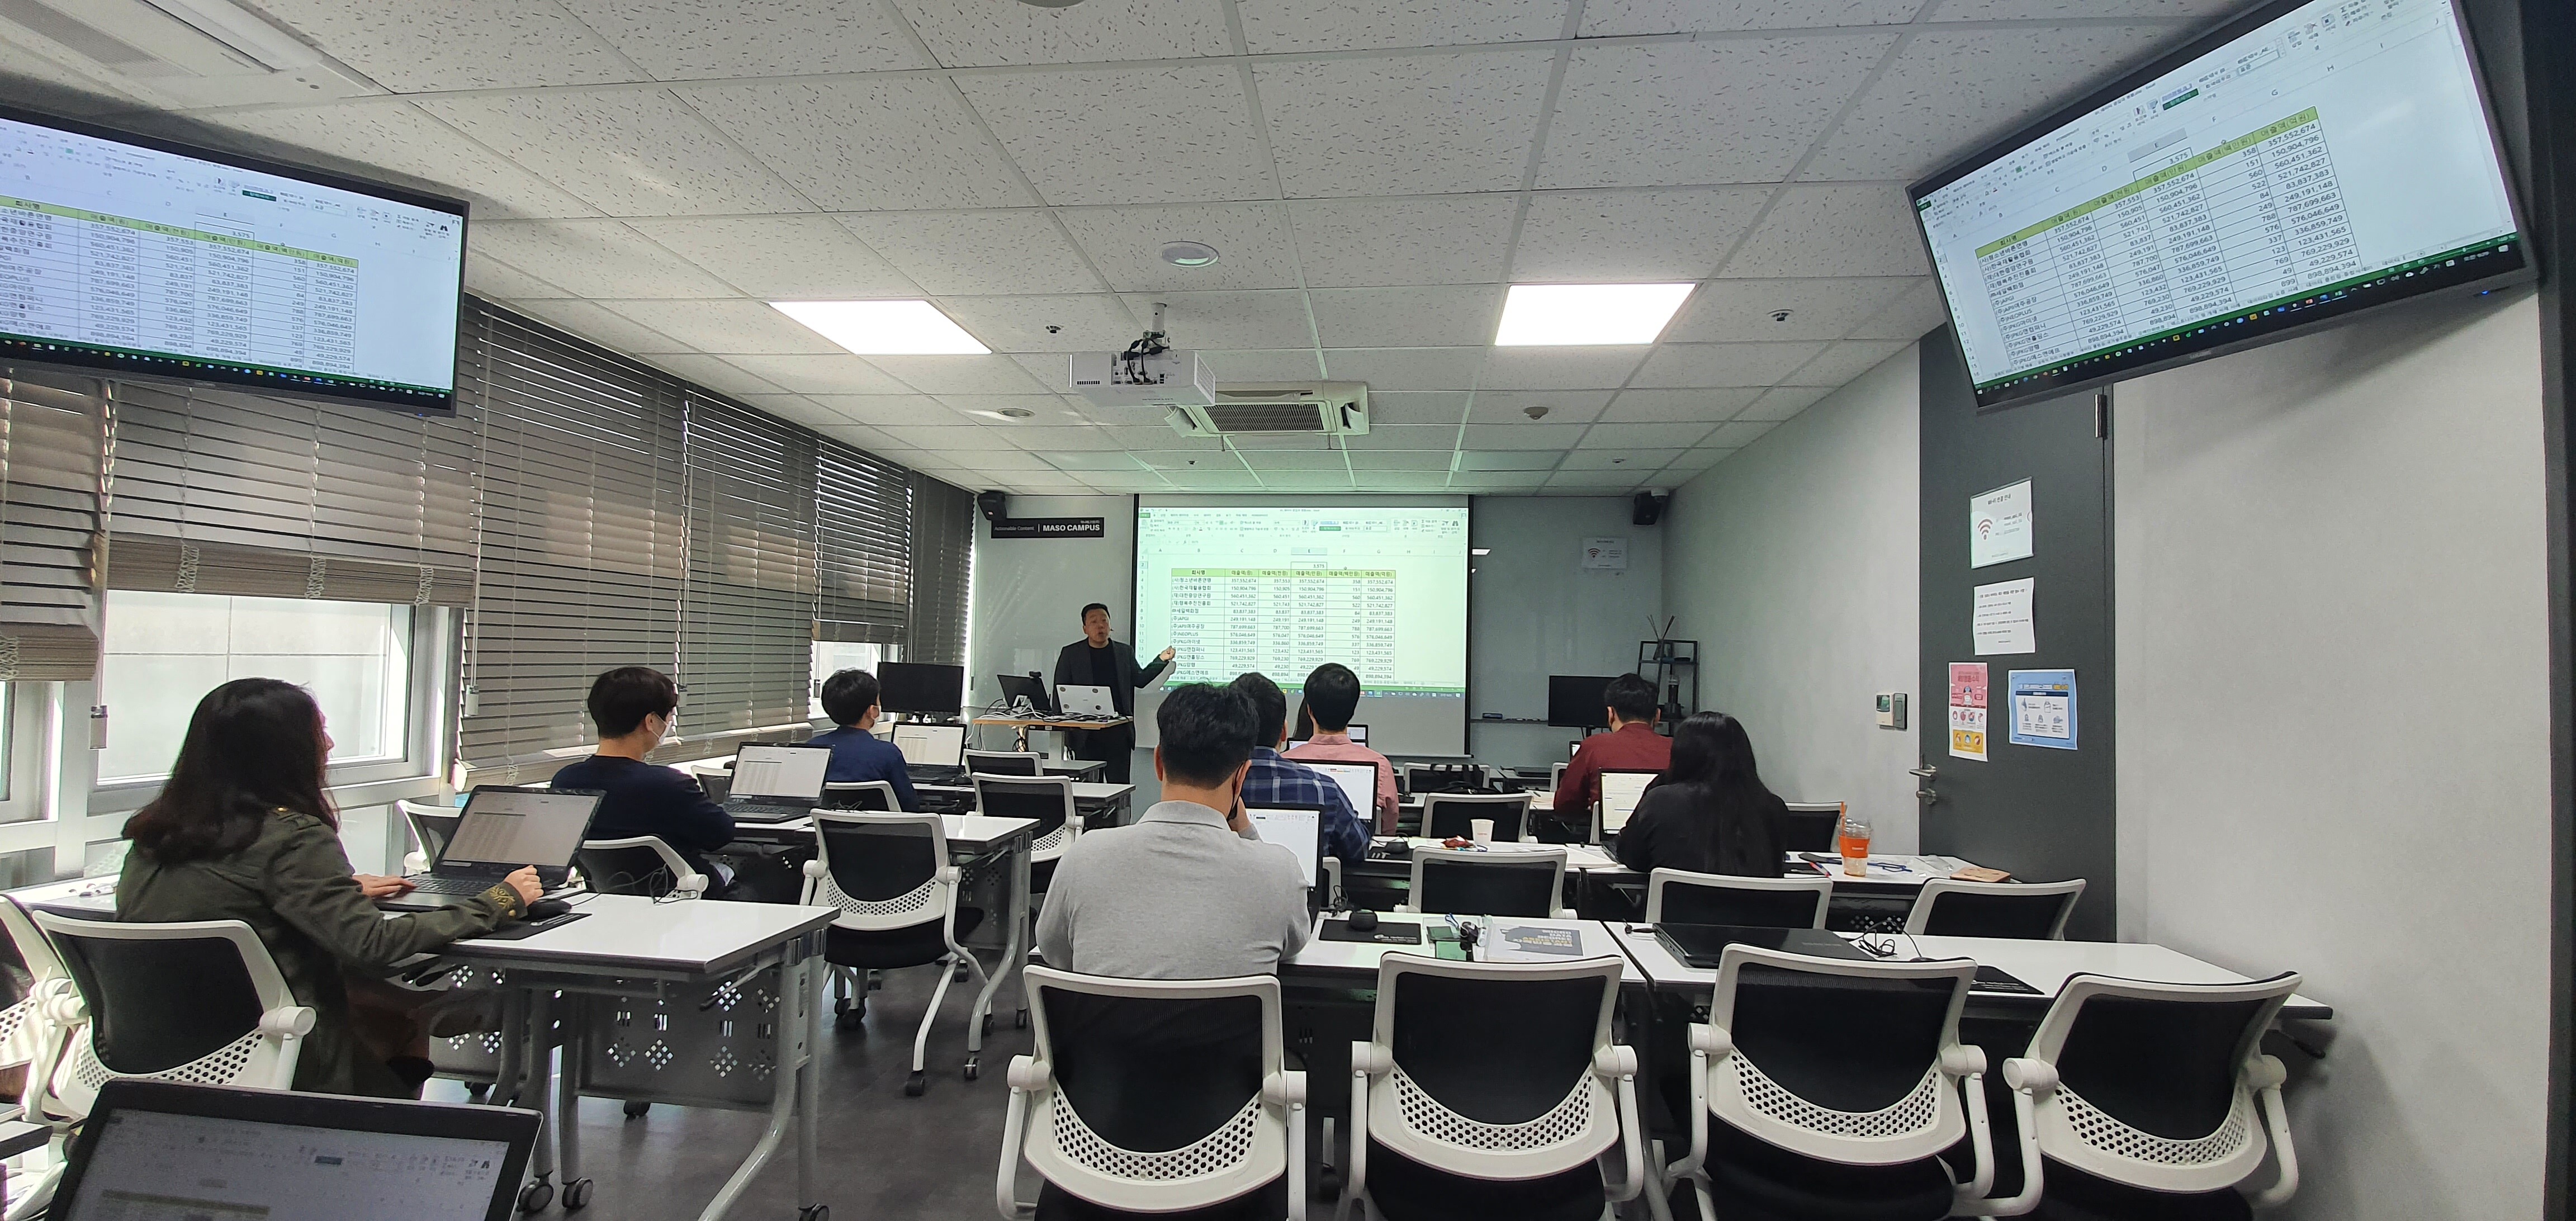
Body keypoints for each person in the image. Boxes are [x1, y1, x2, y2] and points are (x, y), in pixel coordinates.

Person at [115, 679, 541, 1098]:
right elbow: (373, 943)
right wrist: (498, 901)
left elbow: (226, 893)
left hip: (153, 1051)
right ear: (282, 752)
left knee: (324, 974)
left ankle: (418, 1006)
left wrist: (334, 889)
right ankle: (394, 1108)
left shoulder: (153, 837)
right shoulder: (293, 837)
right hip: (266, 1059)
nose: (330, 745)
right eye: (319, 733)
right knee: (392, 1022)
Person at [1035, 684, 1312, 979]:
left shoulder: (1083, 856)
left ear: (1158, 763)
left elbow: (1055, 952)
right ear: (1241, 776)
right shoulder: (1279, 871)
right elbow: (1291, 946)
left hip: (1104, 1012)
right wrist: (1247, 833)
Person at [550, 666, 742, 897]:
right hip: (686, 897)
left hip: (607, 898)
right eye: (668, 716)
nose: (669, 723)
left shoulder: (565, 781)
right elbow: (721, 835)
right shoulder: (669, 785)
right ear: (651, 721)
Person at [1613, 712, 1788, 877]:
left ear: (1681, 755)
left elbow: (1631, 857)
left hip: (1680, 901)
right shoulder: (1773, 806)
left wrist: (1659, 783)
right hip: (1755, 901)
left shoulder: (1662, 800)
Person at [1230, 672, 1371, 870]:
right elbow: (1359, 850)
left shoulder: (1208, 789)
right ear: (1284, 732)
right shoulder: (1322, 789)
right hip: (1303, 889)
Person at [1051, 603, 1173, 785]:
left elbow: (1140, 680)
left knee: (1120, 788)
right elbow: (1060, 692)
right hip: (1085, 736)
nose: (1100, 626)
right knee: (1089, 789)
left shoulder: (1124, 652)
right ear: (1085, 629)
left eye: (1104, 621)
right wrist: (1062, 729)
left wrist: (1161, 660)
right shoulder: (1071, 654)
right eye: (1094, 622)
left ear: (1110, 625)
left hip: (1118, 735)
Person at [1552, 673, 1672, 841]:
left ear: (1611, 714)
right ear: (1658, 716)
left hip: (1608, 841)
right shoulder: (1677, 748)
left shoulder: (1594, 746)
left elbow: (1565, 805)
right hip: (1666, 843)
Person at [1284, 662, 1399, 834]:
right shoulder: (1379, 764)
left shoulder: (1284, 763)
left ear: (1309, 711)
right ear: (1352, 711)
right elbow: (1387, 831)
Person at [808, 668, 920, 811]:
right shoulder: (888, 753)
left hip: (823, 823)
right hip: (879, 825)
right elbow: (909, 806)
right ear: (873, 711)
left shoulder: (812, 749)